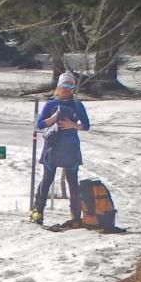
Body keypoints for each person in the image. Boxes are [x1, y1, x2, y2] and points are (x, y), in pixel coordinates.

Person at [32, 71, 91, 226]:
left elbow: (86, 125)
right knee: (47, 180)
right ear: (59, 86)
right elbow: (39, 124)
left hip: (71, 148)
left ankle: (75, 215)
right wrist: (54, 118)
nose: (67, 88)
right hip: (53, 147)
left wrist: (73, 125)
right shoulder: (51, 104)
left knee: (73, 182)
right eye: (65, 85)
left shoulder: (77, 105)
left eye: (71, 85)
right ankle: (38, 212)